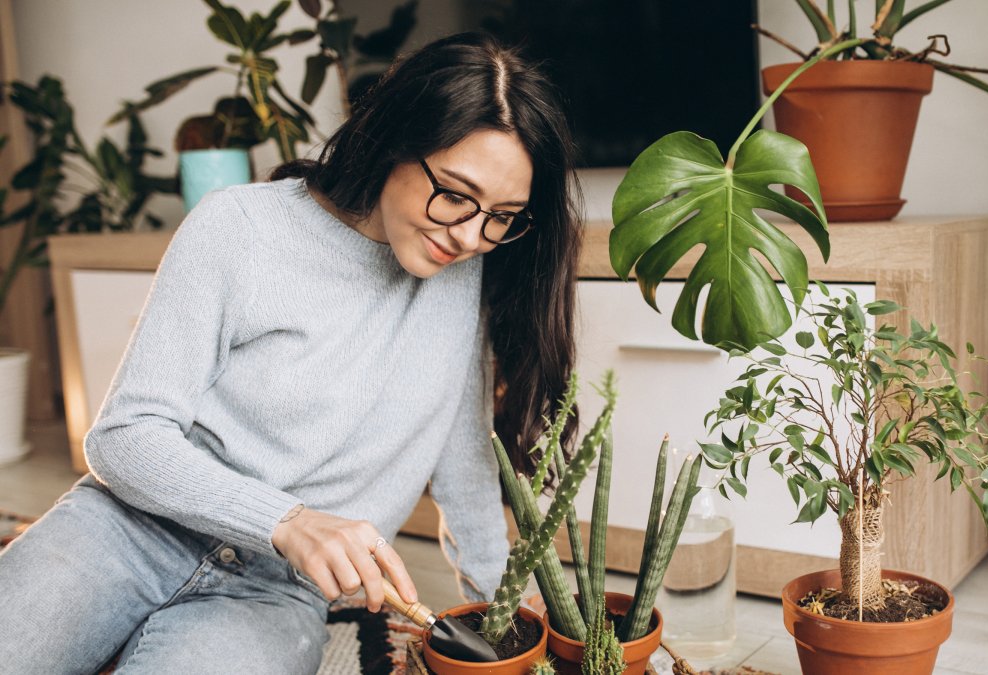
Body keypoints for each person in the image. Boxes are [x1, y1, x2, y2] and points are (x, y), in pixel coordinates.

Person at [0, 32, 581, 673]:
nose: (471, 236)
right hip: (129, 529)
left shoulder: (461, 272)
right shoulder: (240, 227)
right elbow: (124, 437)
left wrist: (509, 624)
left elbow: (465, 471)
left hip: (275, 591)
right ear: (394, 141)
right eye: (455, 194)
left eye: (503, 215)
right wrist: (291, 521)